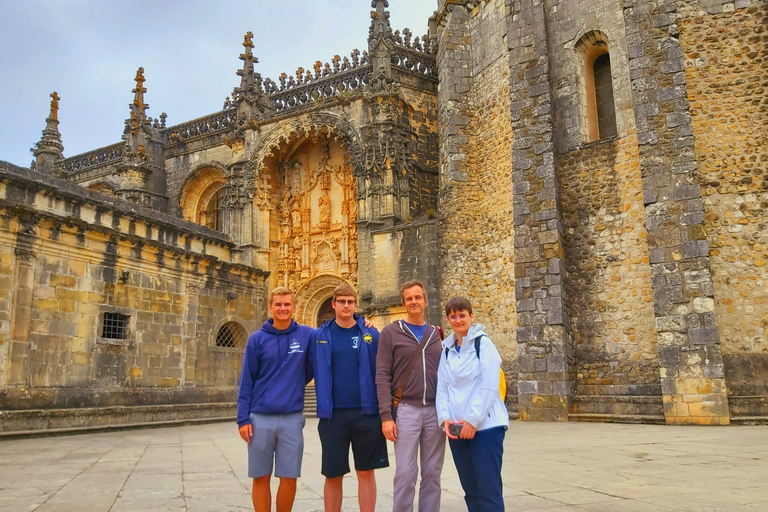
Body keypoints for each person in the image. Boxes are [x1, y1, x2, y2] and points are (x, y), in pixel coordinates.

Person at [310, 284, 388, 512]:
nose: (346, 306)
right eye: (341, 301)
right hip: (332, 416)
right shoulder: (318, 335)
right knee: (333, 473)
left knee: (366, 471)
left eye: (350, 302)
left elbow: (382, 371)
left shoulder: (370, 334)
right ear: (333, 304)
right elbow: (305, 368)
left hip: (366, 413)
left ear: (356, 305)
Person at [236, 287, 312, 512]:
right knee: (261, 476)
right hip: (260, 418)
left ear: (295, 307)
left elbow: (335, 327)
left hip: (292, 418)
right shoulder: (257, 339)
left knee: (289, 477)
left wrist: (361, 321)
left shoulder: (307, 335)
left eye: (287, 304)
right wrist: (243, 419)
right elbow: (247, 379)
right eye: (278, 304)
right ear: (270, 307)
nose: (283, 308)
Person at [376, 280, 445, 512]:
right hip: (406, 410)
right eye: (409, 298)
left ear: (425, 301)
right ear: (404, 303)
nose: (414, 302)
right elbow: (382, 375)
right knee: (405, 473)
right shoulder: (391, 332)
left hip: (435, 411)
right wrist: (386, 416)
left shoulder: (437, 333)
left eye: (418, 297)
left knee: (433, 472)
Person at [436, 296, 509, 512]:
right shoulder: (447, 350)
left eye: (462, 315)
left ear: (471, 316)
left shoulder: (484, 345)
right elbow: (442, 388)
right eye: (453, 316)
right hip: (457, 429)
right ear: (448, 319)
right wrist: (445, 418)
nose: (458, 320)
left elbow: (489, 386)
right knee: (471, 490)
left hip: (485, 428)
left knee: (488, 490)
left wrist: (473, 421)